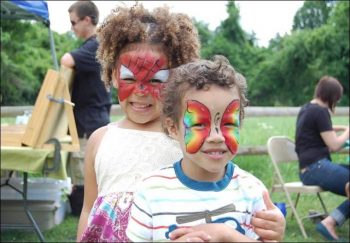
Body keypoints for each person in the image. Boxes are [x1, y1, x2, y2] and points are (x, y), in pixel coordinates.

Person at [78, 3, 285, 242]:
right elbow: (88, 209)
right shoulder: (100, 139)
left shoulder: (187, 137)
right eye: (129, 78)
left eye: (157, 79)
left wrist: (273, 228)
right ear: (114, 75)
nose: (142, 90)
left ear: (175, 79)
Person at [126, 55, 285, 242]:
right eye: (200, 124)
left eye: (228, 123)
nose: (216, 136)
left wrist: (226, 235)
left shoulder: (252, 191)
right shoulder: (151, 191)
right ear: (173, 128)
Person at [60, 1, 112, 216]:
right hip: (93, 119)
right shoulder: (95, 45)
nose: (72, 27)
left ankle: (87, 211)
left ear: (87, 20)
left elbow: (66, 60)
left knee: (86, 172)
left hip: (89, 121)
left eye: (74, 22)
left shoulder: (95, 45)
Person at [295, 76, 349, 241]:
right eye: (337, 100)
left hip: (312, 168)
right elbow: (334, 145)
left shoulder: (308, 109)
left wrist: (343, 128)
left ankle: (331, 220)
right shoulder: (320, 111)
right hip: (314, 168)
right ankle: (330, 223)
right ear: (332, 97)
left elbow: (324, 128)